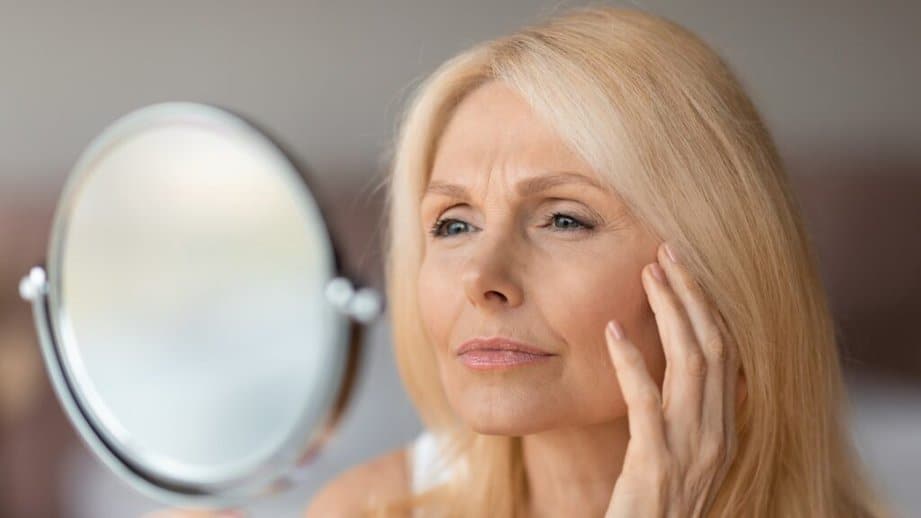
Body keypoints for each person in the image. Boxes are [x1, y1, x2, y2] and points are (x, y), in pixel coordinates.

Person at [160, 5, 893, 518]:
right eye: (452, 224)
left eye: (562, 219)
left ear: (720, 267)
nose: (481, 279)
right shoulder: (370, 510)